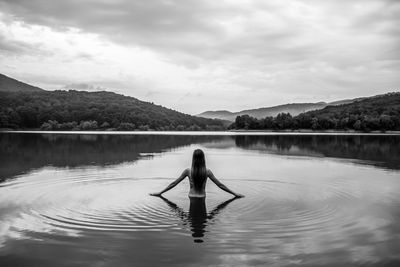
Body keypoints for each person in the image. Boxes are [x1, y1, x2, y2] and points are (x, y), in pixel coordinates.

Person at [150, 149, 244, 198]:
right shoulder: (207, 172)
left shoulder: (188, 171)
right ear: (203, 159)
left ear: (193, 159)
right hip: (202, 197)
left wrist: (160, 192)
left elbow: (174, 183)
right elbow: (220, 185)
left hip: (191, 196)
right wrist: (235, 194)